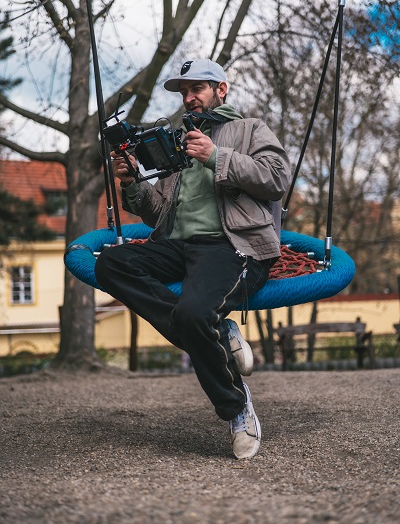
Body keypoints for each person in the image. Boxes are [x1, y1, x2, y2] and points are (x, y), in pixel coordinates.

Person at [95, 59, 290, 460]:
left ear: (221, 89)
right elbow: (158, 213)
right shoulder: (177, 142)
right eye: (183, 93)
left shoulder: (249, 129)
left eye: (196, 89)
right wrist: (132, 182)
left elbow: (276, 179)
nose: (188, 99)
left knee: (192, 314)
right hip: (176, 245)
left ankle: (236, 407)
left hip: (230, 244)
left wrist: (218, 156)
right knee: (110, 264)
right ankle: (218, 331)